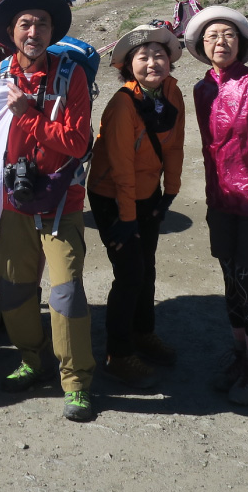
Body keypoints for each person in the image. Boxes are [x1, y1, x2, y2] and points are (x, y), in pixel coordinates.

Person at [0, 0, 96, 423]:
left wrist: (27, 115)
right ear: (11, 32)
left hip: (62, 200)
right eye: (25, 24)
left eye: (41, 24)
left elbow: (77, 143)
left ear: (52, 31)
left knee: (66, 294)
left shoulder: (72, 76)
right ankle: (32, 359)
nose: (33, 32)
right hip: (12, 203)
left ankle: (76, 382)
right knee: (14, 290)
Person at [184, 5, 248, 405]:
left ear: (241, 42)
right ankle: (241, 353)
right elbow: (211, 150)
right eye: (211, 37)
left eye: (227, 35)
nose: (219, 42)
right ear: (201, 46)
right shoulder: (202, 89)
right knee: (230, 282)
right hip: (221, 199)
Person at [89, 24, 185, 387]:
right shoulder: (121, 106)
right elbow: (120, 166)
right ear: (128, 67)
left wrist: (170, 194)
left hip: (147, 194)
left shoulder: (173, 94)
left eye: (159, 55)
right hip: (112, 197)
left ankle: (144, 333)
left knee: (147, 269)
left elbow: (174, 147)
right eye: (142, 57)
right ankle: (119, 353)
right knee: (130, 274)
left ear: (170, 61)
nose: (152, 63)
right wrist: (127, 219)